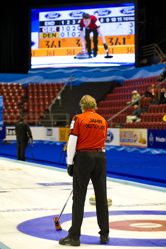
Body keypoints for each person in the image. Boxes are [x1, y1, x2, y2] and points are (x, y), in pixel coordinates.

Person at [59, 95, 109, 246]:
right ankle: (105, 233)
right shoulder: (102, 120)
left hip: (84, 157)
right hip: (100, 156)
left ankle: (74, 236)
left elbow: (72, 141)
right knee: (101, 196)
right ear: (94, 106)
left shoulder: (78, 118)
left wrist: (70, 163)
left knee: (79, 197)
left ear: (82, 106)